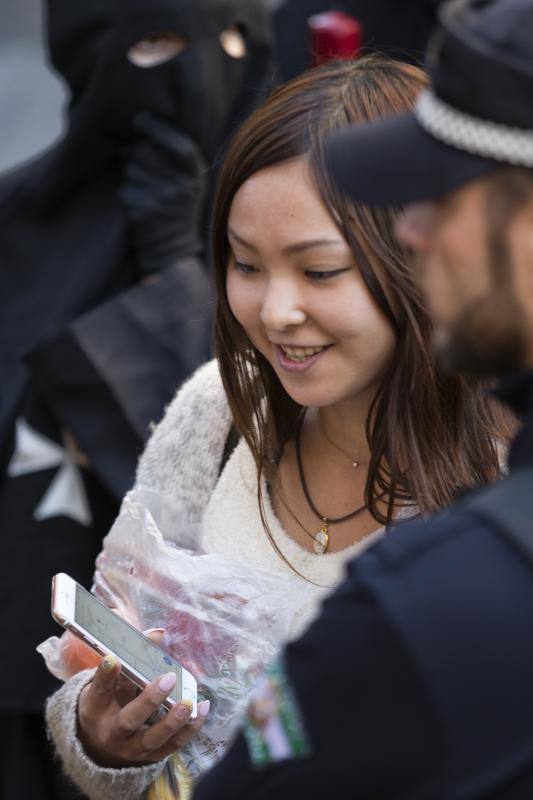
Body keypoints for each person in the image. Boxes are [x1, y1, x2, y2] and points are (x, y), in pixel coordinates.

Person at [45, 55, 511, 800]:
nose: (274, 312)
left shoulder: (502, 490)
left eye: (319, 271)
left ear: (424, 254)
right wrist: (104, 739)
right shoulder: (215, 414)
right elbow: (110, 657)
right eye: (245, 264)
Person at [193, 0, 533, 798]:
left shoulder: (436, 593)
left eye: (445, 197)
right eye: (245, 262)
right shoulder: (219, 415)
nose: (411, 234)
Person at [0, 1, 271, 798]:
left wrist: (176, 271)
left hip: (174, 706)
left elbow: (239, 457)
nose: (200, 76)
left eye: (232, 42)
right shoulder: (16, 221)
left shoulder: (272, 237)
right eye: (155, 44)